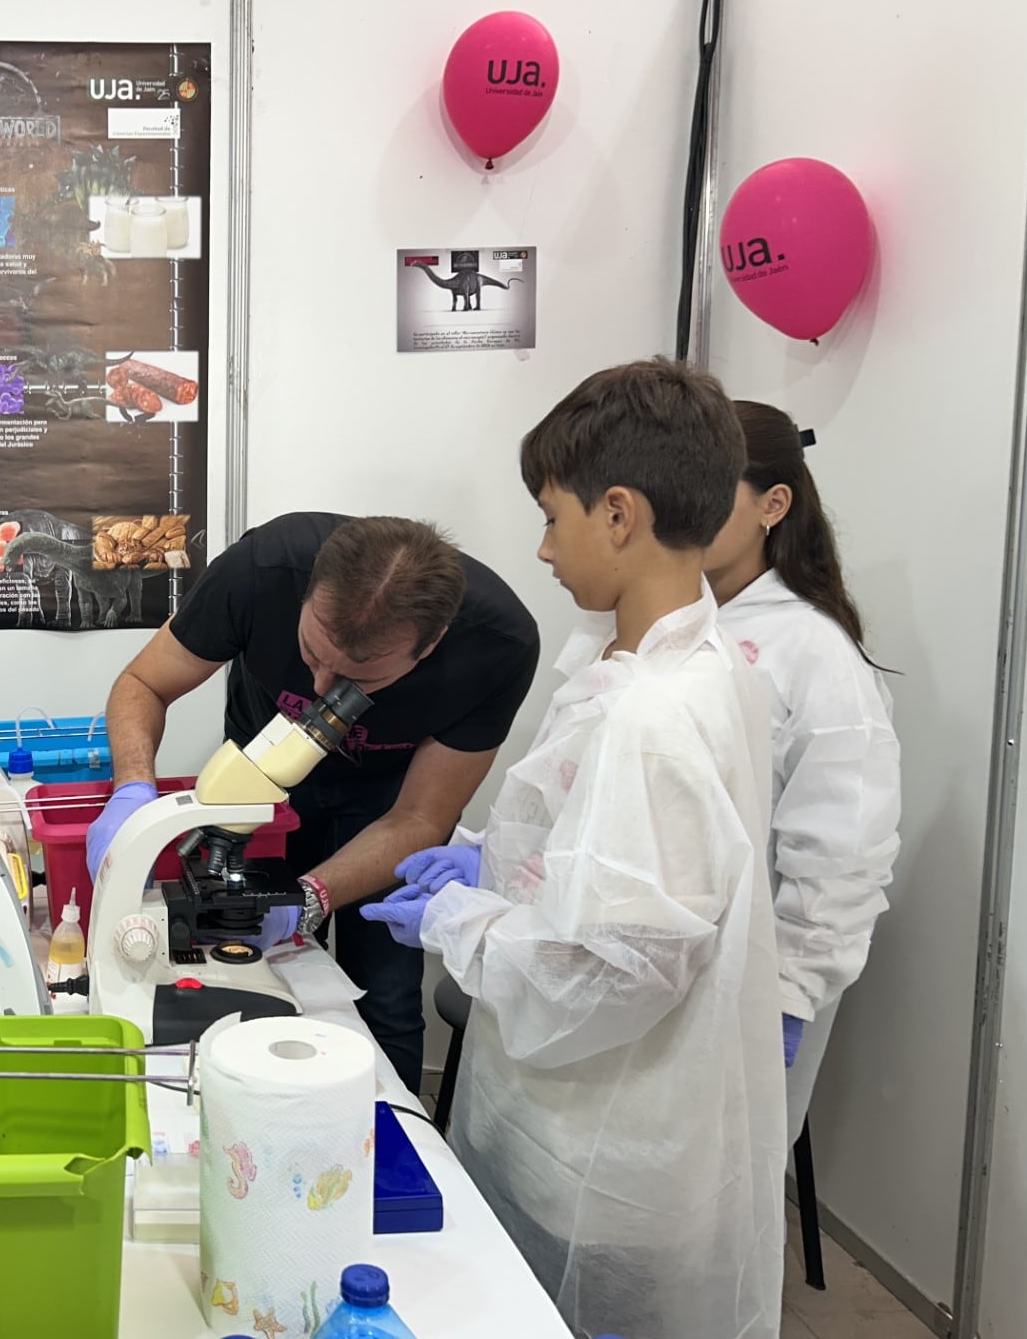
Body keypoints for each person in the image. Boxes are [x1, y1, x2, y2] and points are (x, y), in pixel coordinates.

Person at [368, 358, 785, 1338]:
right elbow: (606, 861)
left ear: (620, 516)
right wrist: (495, 863)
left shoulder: (656, 709)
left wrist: (461, 919)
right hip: (557, 1111)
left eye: (553, 516)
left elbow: (623, 967)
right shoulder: (643, 660)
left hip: (604, 1147)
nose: (544, 549)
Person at [90, 513, 540, 1092]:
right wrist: (133, 788)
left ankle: (381, 1143)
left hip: (390, 807)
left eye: (361, 679)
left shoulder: (496, 644)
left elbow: (421, 816)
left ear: (430, 646)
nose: (322, 689)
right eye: (310, 653)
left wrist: (309, 899)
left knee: (387, 998)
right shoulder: (263, 568)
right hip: (261, 792)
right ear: (303, 595)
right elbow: (144, 684)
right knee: (232, 965)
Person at [706, 399, 901, 1134]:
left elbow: (843, 848)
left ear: (774, 504)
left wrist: (792, 988)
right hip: (656, 954)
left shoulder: (813, 652)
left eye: (706, 489)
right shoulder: (657, 624)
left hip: (755, 973)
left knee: (713, 1190)